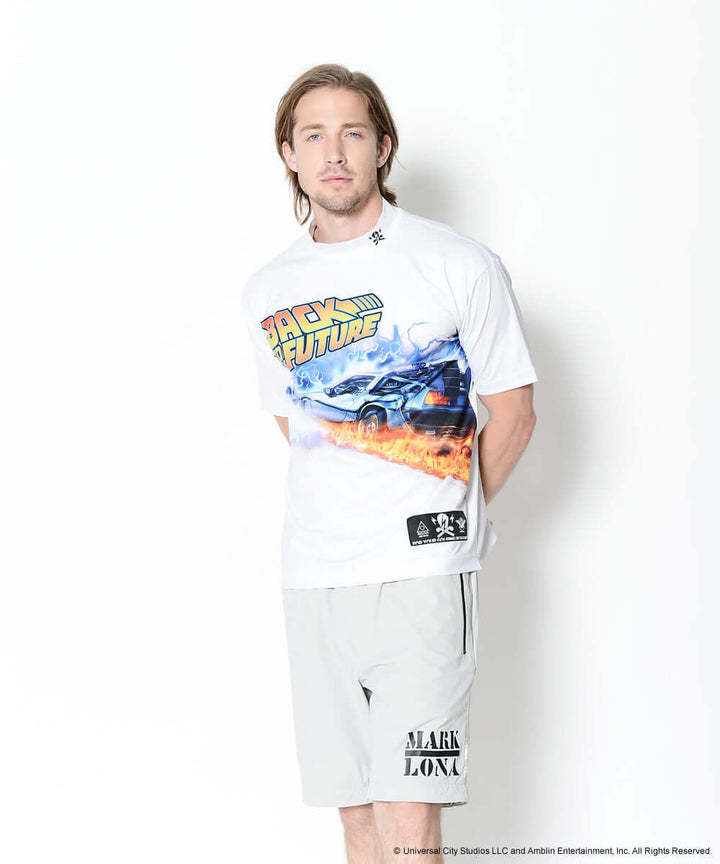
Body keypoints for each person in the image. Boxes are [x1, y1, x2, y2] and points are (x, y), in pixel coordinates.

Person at [242, 63, 538, 864]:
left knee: (412, 822)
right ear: (290, 154)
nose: (334, 152)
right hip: (315, 580)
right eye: (313, 135)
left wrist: (451, 510)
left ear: (383, 147)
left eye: (353, 132)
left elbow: (514, 413)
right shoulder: (269, 291)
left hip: (422, 581)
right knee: (357, 818)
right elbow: (298, 425)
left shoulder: (455, 263)